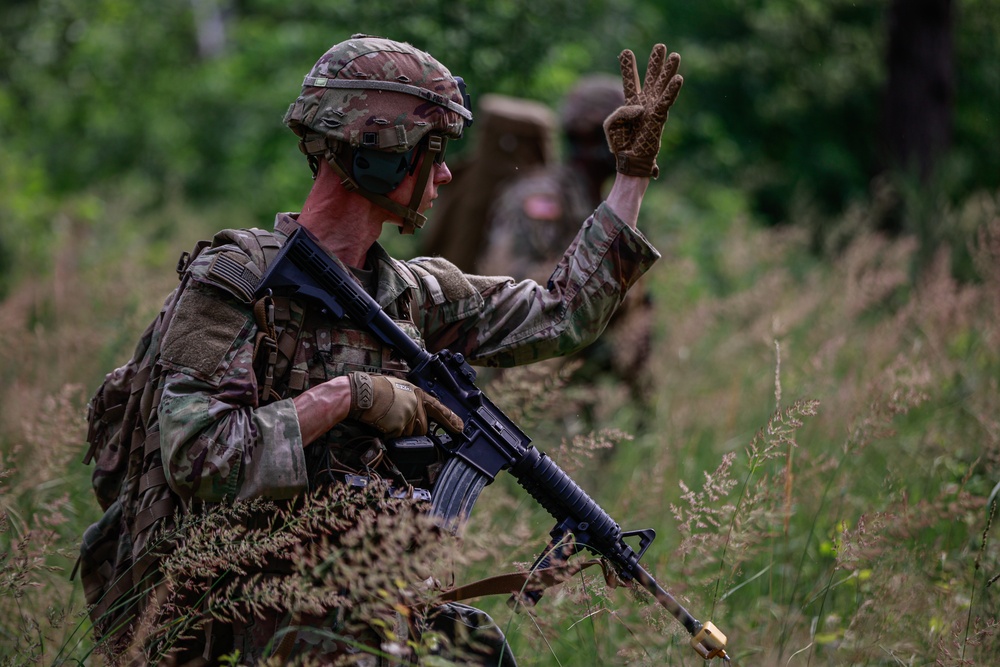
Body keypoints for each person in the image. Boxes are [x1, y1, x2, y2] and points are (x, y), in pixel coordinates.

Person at [104, 33, 682, 665]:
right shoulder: (236, 284)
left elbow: (561, 314)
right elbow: (199, 456)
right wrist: (349, 396)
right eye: (431, 151)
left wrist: (628, 179)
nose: (446, 172)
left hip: (364, 614)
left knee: (479, 650)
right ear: (379, 152)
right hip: (244, 625)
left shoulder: (410, 296)